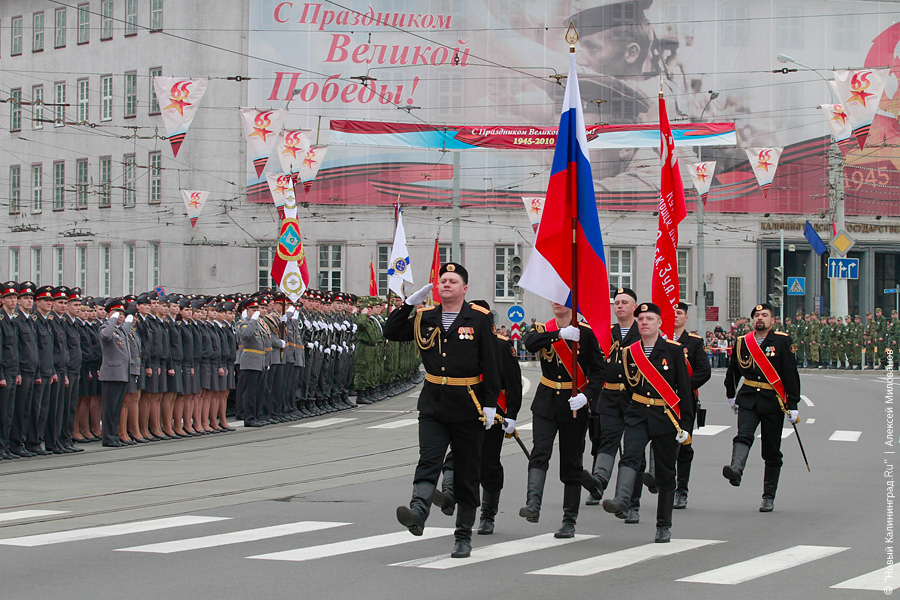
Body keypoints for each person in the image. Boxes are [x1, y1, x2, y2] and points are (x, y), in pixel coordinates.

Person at [385, 263, 500, 559]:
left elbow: (491, 363)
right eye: (442, 280)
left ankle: (463, 536)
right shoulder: (425, 317)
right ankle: (418, 514)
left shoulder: (479, 318)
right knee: (429, 460)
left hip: (468, 405)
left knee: (466, 472)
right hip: (434, 404)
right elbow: (391, 331)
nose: (446, 284)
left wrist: (490, 404)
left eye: (453, 281)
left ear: (464, 289)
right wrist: (409, 303)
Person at [601, 302, 693, 543]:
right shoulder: (629, 351)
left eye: (649, 319)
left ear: (660, 323)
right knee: (630, 456)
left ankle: (664, 525)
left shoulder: (673, 350)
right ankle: (622, 500)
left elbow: (684, 390)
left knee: (664, 473)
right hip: (638, 413)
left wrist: (686, 427)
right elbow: (625, 388)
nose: (644, 323)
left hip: (665, 417)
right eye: (641, 319)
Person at [431, 299, 523, 536]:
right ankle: (449, 496)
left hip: (494, 414)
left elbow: (513, 384)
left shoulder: (502, 345)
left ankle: (488, 515)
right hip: (464, 410)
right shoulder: (459, 339)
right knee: (454, 458)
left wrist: (511, 415)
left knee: (488, 464)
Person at [520, 301, 604, 538]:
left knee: (571, 462)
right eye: (553, 299)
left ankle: (569, 519)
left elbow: (598, 372)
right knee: (540, 451)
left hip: (573, 403)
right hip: (546, 402)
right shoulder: (542, 329)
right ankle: (533, 505)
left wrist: (586, 397)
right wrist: (558, 334)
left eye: (562, 299)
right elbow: (529, 343)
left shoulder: (586, 333)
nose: (556, 304)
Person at [723, 302, 801, 512]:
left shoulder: (782, 341)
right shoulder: (743, 342)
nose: (760, 318)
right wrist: (731, 394)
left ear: (772, 320)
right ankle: (736, 469)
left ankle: (768, 496)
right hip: (748, 397)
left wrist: (793, 404)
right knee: (743, 435)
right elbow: (733, 371)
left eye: (764, 315)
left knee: (771, 450)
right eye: (757, 315)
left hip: (772, 401)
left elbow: (790, 373)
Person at [581, 288, 644, 522]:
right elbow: (594, 364)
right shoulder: (606, 333)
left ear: (634, 307)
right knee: (606, 440)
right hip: (608, 398)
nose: (619, 306)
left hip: (635, 399)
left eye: (625, 302)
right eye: (616, 302)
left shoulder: (642, 333)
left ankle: (630, 502)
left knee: (633, 449)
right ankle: (598, 482)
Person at [671, 302, 711, 509]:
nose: (675, 316)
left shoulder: (694, 343)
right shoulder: (659, 341)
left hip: (685, 402)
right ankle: (664, 484)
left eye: (679, 313)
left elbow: (704, 371)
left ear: (686, 318)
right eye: (672, 312)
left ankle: (682, 491)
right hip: (662, 401)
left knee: (684, 446)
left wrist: (685, 388)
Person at [99, 298, 133, 448]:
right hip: (111, 374)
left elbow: (126, 330)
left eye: (122, 314)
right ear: (110, 314)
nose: (121, 316)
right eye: (118, 313)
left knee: (117, 408)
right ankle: (107, 437)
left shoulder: (120, 330)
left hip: (121, 373)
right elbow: (106, 336)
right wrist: (112, 319)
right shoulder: (105, 327)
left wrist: (129, 320)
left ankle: (114, 434)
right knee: (109, 407)